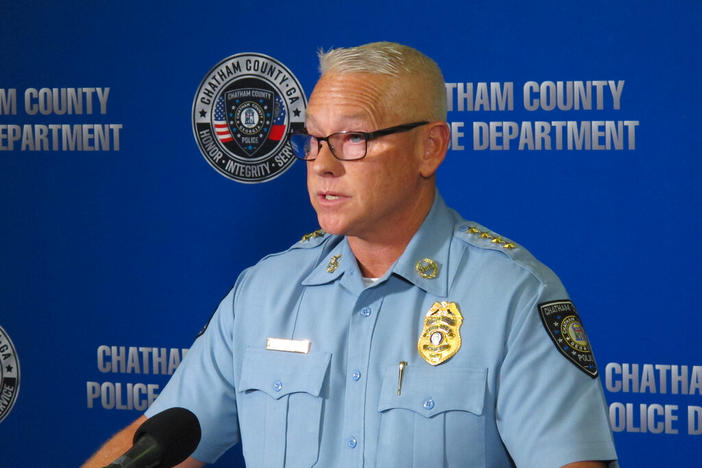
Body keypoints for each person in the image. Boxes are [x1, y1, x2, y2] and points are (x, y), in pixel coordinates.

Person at [84, 41, 618, 468]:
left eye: (354, 138)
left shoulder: (513, 297)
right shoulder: (265, 292)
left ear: (429, 148)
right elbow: (159, 442)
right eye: (312, 139)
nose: (322, 164)